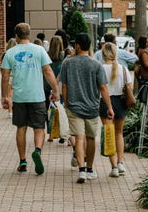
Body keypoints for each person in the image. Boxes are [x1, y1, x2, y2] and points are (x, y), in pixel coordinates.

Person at [0, 23, 59, 175]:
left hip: (19, 97)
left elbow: (5, 77)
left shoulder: (10, 53)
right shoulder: (39, 50)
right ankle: (37, 151)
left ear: (16, 36)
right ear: (29, 34)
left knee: (21, 128)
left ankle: (23, 161)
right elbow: (48, 71)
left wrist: (4, 96)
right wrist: (55, 90)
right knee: (39, 127)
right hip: (37, 96)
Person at [59, 33, 113, 184]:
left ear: (77, 46)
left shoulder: (67, 63)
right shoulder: (96, 64)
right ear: (89, 46)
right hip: (92, 106)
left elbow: (64, 85)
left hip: (74, 106)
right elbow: (103, 88)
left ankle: (81, 170)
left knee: (79, 137)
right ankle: (89, 169)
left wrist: (67, 102)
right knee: (90, 138)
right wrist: (109, 107)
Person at [99, 42, 131, 177]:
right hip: (121, 102)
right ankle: (120, 163)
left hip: (105, 103)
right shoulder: (123, 69)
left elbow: (99, 88)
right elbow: (129, 87)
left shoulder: (100, 69)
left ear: (103, 54)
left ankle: (113, 168)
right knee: (119, 134)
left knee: (109, 134)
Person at [45, 34, 66, 143]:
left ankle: (50, 135)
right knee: (61, 109)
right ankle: (63, 134)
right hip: (60, 86)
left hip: (47, 85)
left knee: (50, 110)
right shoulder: (64, 56)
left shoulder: (46, 55)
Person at [1, 38, 18, 118]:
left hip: (9, 77)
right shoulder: (17, 54)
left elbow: (3, 68)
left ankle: (10, 112)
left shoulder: (5, 54)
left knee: (9, 95)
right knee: (17, 95)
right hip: (16, 76)